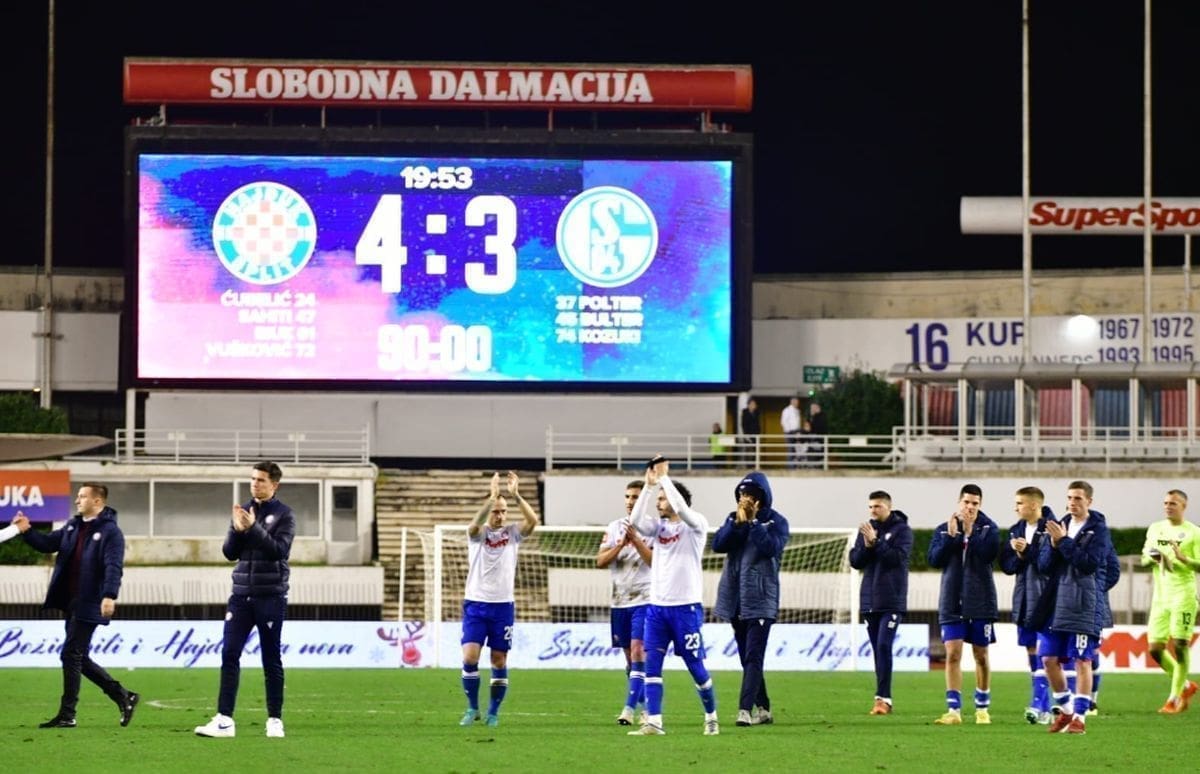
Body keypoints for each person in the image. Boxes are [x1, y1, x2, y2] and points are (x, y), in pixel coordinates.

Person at [12, 485, 139, 729]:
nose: (77, 500)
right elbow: (47, 543)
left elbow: (113, 566)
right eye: (78, 496)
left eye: (82, 496)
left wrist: (109, 595)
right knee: (77, 656)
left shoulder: (111, 532)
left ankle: (68, 714)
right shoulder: (72, 526)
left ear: (97, 501)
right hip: (72, 602)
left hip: (91, 601)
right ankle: (123, 696)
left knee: (71, 655)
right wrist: (27, 530)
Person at [195, 461, 295, 739]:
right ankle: (224, 720)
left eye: (261, 480)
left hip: (271, 596)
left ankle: (274, 720)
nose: (254, 484)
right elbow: (229, 553)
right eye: (252, 479)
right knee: (229, 653)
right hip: (240, 595)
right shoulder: (243, 510)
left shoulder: (285, 514)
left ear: (274, 484)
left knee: (271, 658)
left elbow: (279, 551)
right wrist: (238, 530)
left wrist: (253, 529)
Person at [628, 456, 718, 736]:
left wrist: (665, 477)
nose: (659, 503)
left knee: (695, 666)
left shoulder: (696, 524)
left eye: (662, 498)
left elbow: (681, 508)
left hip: (685, 608)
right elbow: (635, 521)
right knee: (652, 665)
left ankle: (711, 716)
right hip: (657, 608)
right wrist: (649, 486)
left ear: (677, 499)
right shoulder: (659, 527)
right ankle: (654, 721)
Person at [457, 471, 539, 728]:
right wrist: (491, 498)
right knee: (470, 657)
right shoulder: (477, 534)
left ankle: (493, 712)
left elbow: (533, 521)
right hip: (475, 604)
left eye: (503, 511)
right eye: (496, 511)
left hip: (503, 606)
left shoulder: (513, 533)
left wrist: (516, 496)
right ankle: (472, 708)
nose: (500, 516)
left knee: (499, 660)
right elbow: (473, 525)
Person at [713, 471, 790, 727]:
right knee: (747, 657)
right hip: (736, 597)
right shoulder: (733, 518)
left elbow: (771, 548)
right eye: (742, 494)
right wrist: (738, 524)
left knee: (754, 656)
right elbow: (718, 545)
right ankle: (764, 709)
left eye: (750, 494)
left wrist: (755, 523)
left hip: (761, 598)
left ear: (762, 497)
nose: (745, 499)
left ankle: (744, 710)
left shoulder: (777, 521)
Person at [1037, 480, 1114, 735]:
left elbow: (1089, 563)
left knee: (1082, 660)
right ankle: (1067, 710)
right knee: (1048, 659)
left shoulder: (1099, 531)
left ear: (1089, 501)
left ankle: (1080, 718)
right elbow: (1044, 566)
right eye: (1069, 498)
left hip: (1083, 606)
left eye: (1078, 498)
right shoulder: (1060, 526)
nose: (1072, 502)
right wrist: (1053, 545)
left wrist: (1064, 542)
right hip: (1057, 604)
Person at [927, 483, 999, 725]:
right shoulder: (944, 529)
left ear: (980, 505)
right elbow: (934, 560)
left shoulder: (989, 529)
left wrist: (971, 533)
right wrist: (953, 538)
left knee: (981, 655)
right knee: (953, 654)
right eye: (966, 502)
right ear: (959, 502)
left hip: (980, 602)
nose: (970, 507)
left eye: (975, 503)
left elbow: (989, 555)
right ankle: (954, 710)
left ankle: (982, 708)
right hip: (951, 601)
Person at [848, 490, 912, 716]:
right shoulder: (866, 530)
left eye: (877, 506)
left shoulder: (902, 531)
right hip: (870, 600)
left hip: (891, 600)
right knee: (878, 649)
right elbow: (855, 561)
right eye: (870, 507)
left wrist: (876, 543)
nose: (873, 511)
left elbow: (896, 559)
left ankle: (883, 698)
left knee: (884, 645)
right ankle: (882, 697)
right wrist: (867, 545)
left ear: (888, 507)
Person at [595, 479, 652, 725]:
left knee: (639, 651)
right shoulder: (614, 527)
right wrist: (619, 545)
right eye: (628, 497)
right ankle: (647, 706)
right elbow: (600, 561)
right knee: (631, 659)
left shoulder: (652, 528)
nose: (630, 502)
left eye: (636, 497)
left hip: (645, 600)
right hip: (619, 602)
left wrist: (637, 541)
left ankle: (629, 709)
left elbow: (655, 562)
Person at [998, 486, 1055, 725]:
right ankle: (1043, 707)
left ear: (1034, 505)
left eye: (1020, 503)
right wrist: (1018, 556)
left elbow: (1047, 564)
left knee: (1047, 652)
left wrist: (1028, 551)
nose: (1016, 507)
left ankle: (1040, 703)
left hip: (1045, 600)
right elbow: (1007, 566)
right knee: (1032, 650)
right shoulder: (1016, 530)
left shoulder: (1052, 529)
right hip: (1023, 599)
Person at [1140, 489, 1200, 713]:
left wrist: (1186, 559)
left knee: (1181, 644)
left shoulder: (1194, 533)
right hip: (1160, 598)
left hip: (1183, 595)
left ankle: (1174, 699)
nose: (1168, 506)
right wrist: (1156, 558)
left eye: (1173, 503)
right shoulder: (1155, 528)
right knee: (1155, 649)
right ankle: (1186, 686)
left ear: (1183, 506)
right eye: (1165, 503)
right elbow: (1144, 558)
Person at [780, 397, 803, 468]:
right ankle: (790, 467)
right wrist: (789, 431)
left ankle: (794, 466)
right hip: (789, 432)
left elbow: (798, 423)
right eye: (795, 402)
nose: (797, 403)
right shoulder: (786, 410)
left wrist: (798, 432)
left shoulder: (797, 411)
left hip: (797, 432)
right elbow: (783, 421)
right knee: (790, 449)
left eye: (797, 402)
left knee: (796, 449)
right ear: (792, 402)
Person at [805, 401, 828, 467]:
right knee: (811, 454)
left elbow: (819, 426)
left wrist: (813, 417)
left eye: (813, 408)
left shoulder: (822, 415)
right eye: (811, 408)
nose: (811, 409)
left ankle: (820, 467)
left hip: (820, 439)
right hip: (811, 439)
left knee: (819, 456)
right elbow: (807, 426)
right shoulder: (810, 416)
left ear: (817, 407)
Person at [739, 397, 761, 465]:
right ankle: (748, 465)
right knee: (748, 450)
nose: (754, 405)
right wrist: (746, 434)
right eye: (752, 404)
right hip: (747, 434)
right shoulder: (745, 412)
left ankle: (754, 465)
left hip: (755, 434)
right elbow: (743, 424)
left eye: (754, 404)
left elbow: (758, 423)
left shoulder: (757, 412)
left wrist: (758, 433)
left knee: (755, 450)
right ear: (748, 405)